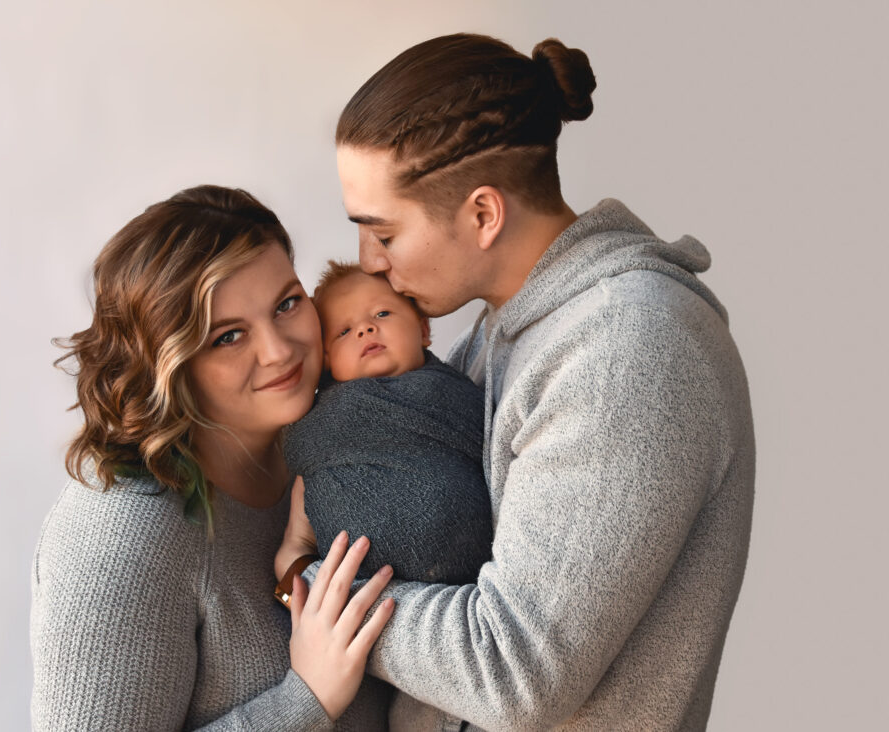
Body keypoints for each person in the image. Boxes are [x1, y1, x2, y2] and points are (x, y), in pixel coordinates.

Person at [279, 33, 755, 730]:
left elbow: (511, 672)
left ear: (482, 214)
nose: (368, 264)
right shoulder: (499, 338)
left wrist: (317, 587)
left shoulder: (629, 350)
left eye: (382, 233)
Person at [31, 185, 395, 730]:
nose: (278, 350)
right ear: (166, 363)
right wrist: (306, 699)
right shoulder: (121, 534)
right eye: (227, 336)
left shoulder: (325, 441)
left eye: (287, 304)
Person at [280, 261, 492, 584]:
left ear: (423, 329)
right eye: (344, 331)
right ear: (326, 359)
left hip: (471, 583)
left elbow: (487, 444)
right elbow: (298, 445)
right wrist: (293, 560)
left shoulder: (456, 389)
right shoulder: (321, 416)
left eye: (382, 314)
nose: (365, 329)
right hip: (353, 588)